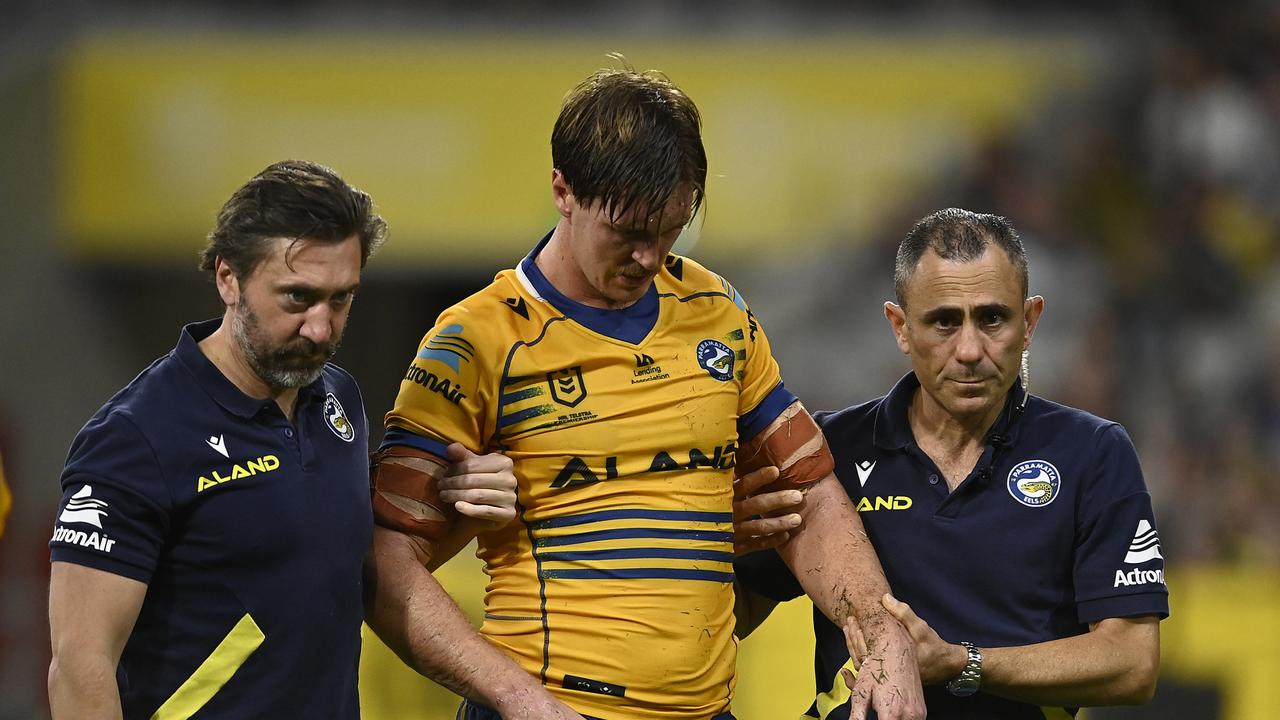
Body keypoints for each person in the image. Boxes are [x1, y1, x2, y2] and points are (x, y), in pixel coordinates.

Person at [362, 63, 925, 720]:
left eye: (671, 231)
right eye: (628, 233)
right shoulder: (475, 341)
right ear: (562, 190)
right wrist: (517, 699)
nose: (651, 258)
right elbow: (385, 561)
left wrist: (886, 638)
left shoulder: (717, 309)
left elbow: (812, 489)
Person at [46, 160, 517, 719]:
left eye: (340, 299)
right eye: (297, 297)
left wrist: (466, 501)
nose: (320, 329)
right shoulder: (136, 437)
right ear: (228, 277)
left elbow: (349, 566)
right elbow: (79, 669)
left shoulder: (337, 399)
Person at [735, 208, 1168, 719]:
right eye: (944, 321)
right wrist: (717, 544)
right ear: (899, 327)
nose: (968, 349)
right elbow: (730, 618)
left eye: (992, 319)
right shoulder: (831, 450)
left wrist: (961, 663)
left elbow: (1133, 662)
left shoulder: (1092, 453)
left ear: (1029, 323)